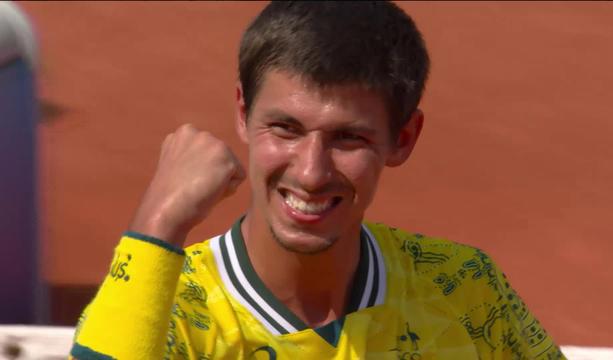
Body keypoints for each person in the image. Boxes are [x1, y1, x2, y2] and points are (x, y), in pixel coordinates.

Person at [70, 2, 565, 359]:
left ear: (404, 138)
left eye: (348, 138)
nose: (310, 172)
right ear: (243, 112)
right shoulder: (166, 309)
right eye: (285, 128)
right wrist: (158, 225)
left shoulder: (464, 287)